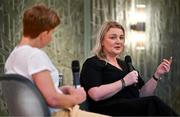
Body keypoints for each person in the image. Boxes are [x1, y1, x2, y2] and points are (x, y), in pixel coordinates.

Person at [4, 4, 110, 117]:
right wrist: (76, 98)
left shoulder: (13, 56)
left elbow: (40, 93)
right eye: (52, 33)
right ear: (44, 34)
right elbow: (53, 100)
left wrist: (64, 90)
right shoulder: (34, 55)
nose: (51, 38)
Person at [80, 21, 178, 116]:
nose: (118, 41)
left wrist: (157, 75)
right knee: (153, 103)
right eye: (113, 37)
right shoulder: (93, 63)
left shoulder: (126, 65)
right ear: (102, 41)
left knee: (151, 101)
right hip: (108, 110)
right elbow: (95, 94)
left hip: (131, 108)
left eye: (121, 37)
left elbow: (143, 94)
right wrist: (124, 82)